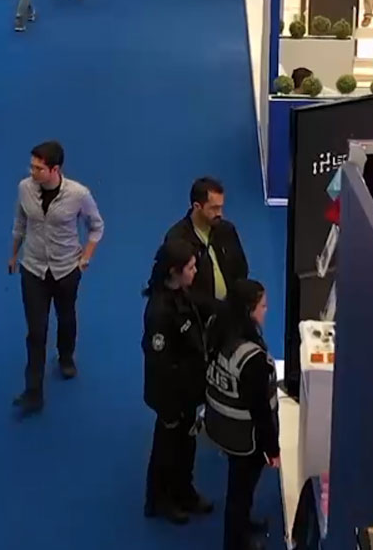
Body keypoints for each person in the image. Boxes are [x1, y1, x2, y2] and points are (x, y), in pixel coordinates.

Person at [8, 140, 105, 415]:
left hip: (66, 270)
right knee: (36, 332)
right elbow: (20, 224)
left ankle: (65, 356)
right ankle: (33, 392)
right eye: (31, 167)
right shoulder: (24, 188)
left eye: (38, 168)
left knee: (66, 317)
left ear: (55, 169)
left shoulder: (79, 194)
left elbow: (97, 226)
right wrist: (13, 255)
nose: (32, 172)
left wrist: (85, 258)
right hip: (33, 269)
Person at [142, 236, 213, 525]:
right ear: (174, 271)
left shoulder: (182, 294)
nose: (195, 272)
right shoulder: (160, 312)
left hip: (188, 390)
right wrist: (171, 406)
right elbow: (159, 364)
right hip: (170, 396)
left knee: (187, 444)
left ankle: (184, 490)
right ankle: (160, 499)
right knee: (167, 447)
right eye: (191, 267)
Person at [205, 279, 278, 550]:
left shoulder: (220, 331)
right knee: (241, 491)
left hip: (223, 425)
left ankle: (242, 527)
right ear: (249, 310)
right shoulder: (252, 359)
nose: (266, 310)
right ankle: (236, 541)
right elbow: (260, 410)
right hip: (247, 437)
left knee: (238, 487)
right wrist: (272, 449)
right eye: (263, 306)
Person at [164, 177, 248, 326]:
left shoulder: (227, 230)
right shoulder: (177, 238)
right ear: (197, 206)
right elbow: (180, 286)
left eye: (221, 207)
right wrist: (215, 308)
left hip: (229, 318)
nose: (220, 213)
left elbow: (241, 269)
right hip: (197, 321)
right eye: (214, 208)